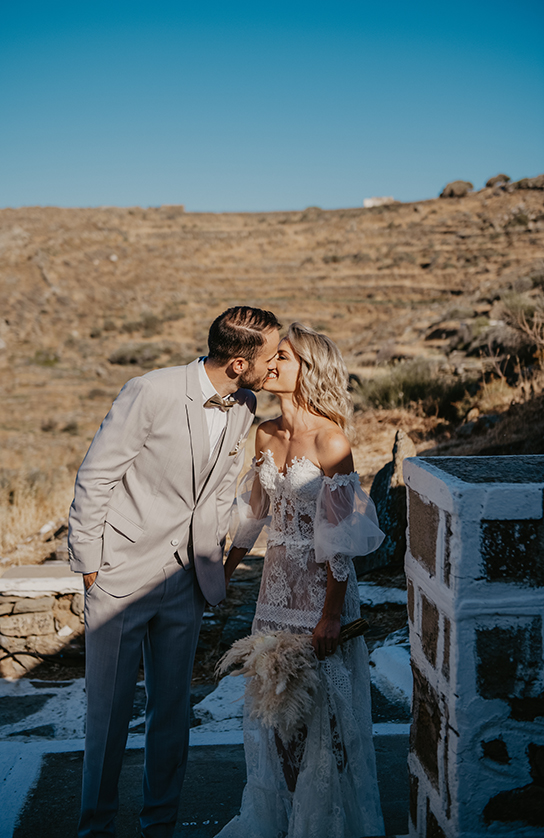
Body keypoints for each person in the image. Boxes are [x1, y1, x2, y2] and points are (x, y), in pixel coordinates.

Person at [67, 306, 281, 838]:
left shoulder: (246, 403)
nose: (276, 363)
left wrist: (218, 561)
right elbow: (95, 477)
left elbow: (217, 492)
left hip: (188, 579)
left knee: (172, 715)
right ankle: (95, 828)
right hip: (120, 577)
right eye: (270, 355)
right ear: (238, 362)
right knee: (108, 718)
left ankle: (159, 825)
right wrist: (91, 567)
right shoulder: (150, 390)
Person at [219, 322, 386, 838]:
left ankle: (325, 826)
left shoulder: (331, 440)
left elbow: (339, 542)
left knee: (325, 720)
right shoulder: (264, 433)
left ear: (307, 369)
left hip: (321, 600)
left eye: (283, 358)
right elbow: (253, 516)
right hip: (273, 597)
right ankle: (283, 822)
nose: (271, 365)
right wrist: (220, 577)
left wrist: (332, 615)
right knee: (275, 717)